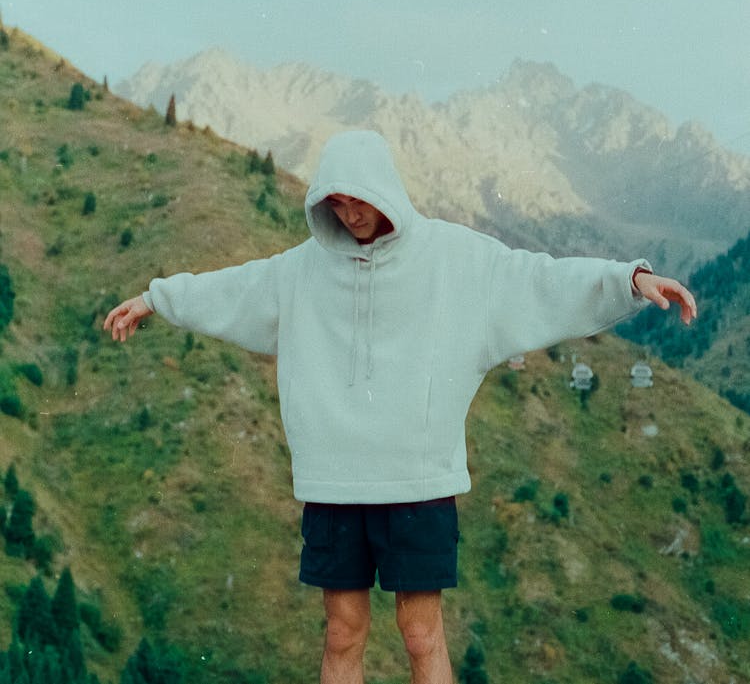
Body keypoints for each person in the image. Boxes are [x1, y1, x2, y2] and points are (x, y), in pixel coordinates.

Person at [104, 129, 697, 684]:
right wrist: (156, 299)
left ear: (384, 189)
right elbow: (229, 290)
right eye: (334, 203)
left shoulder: (455, 259)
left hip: (418, 483)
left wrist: (630, 280)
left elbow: (539, 281)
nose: (349, 213)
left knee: (420, 635)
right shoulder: (297, 272)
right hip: (335, 486)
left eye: (358, 199)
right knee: (342, 634)